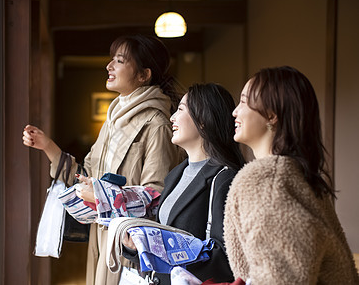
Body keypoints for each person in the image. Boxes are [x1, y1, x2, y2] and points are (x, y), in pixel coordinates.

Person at [22, 34, 183, 285]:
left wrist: (101, 196)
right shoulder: (113, 121)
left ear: (143, 75)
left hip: (130, 244)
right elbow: (85, 173)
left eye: (119, 60)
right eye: (112, 60)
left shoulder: (156, 124)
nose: (109, 66)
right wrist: (47, 145)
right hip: (101, 237)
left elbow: (156, 196)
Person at [224, 66, 359, 284]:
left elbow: (280, 278)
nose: (235, 111)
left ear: (271, 114)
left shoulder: (267, 181)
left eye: (243, 101)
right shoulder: (296, 175)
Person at [121, 83, 245, 284]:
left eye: (180, 109)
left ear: (203, 120)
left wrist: (166, 252)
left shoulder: (224, 178)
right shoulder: (175, 174)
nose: (172, 118)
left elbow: (225, 257)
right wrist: (136, 248)